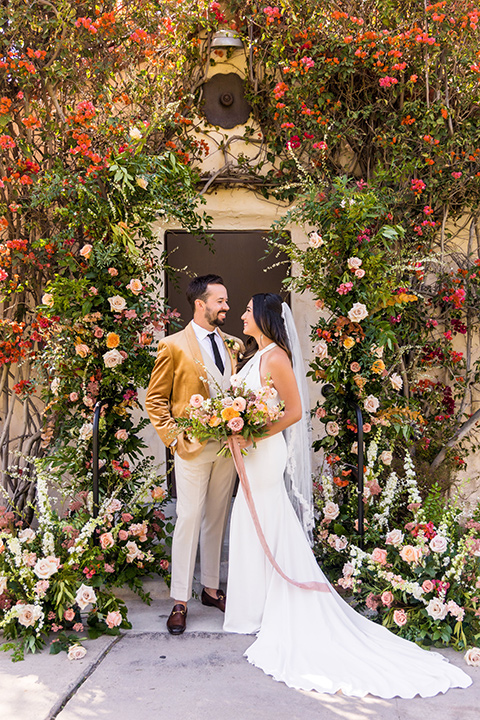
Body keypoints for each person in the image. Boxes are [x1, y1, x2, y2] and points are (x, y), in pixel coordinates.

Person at [224, 292, 472, 698]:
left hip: (263, 451)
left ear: (265, 318)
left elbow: (293, 412)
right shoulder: (257, 356)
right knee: (249, 518)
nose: (242, 315)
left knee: (264, 513)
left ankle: (266, 605)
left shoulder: (276, 358)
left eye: (248, 311)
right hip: (249, 451)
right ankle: (254, 605)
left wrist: (249, 431)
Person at [145, 274, 243, 635]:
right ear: (200, 304)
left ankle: (211, 588)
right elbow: (155, 400)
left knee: (217, 517)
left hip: (226, 448)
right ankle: (180, 599)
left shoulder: (233, 344)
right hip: (191, 448)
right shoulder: (173, 346)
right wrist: (175, 440)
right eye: (220, 301)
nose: (227, 307)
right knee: (188, 518)